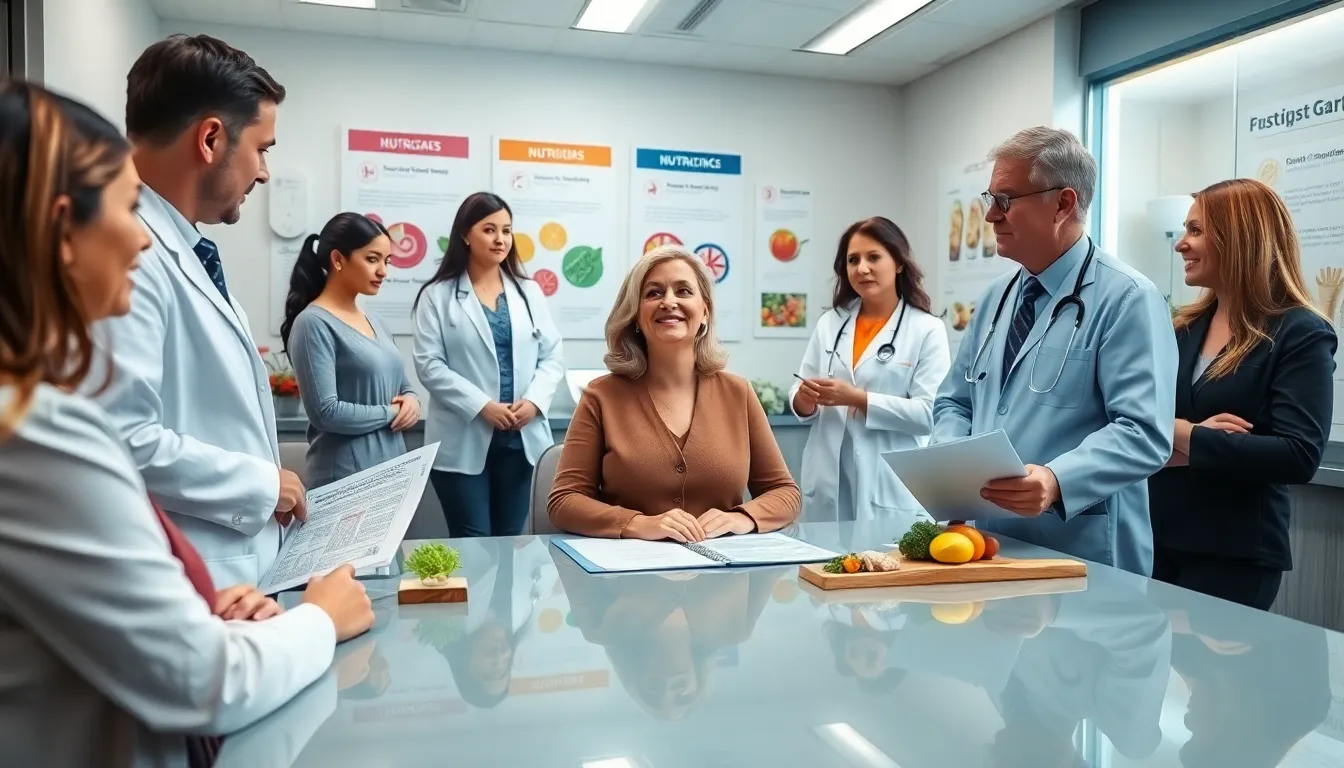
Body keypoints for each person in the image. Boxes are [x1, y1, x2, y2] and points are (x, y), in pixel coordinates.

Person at [0, 80, 374, 768]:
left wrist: (192, 609)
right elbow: (201, 680)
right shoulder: (30, 433)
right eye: (121, 207)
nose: (140, 239)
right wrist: (322, 618)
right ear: (61, 233)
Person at [87, 34, 303, 587]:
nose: (264, 172)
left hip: (223, 568)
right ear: (210, 139)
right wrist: (261, 485)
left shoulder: (183, 246)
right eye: (263, 149)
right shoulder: (125, 249)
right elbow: (116, 439)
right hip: (188, 577)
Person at [933, 126, 1177, 575]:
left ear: (1063, 204)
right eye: (990, 201)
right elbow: (954, 401)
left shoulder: (1127, 298)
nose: (990, 217)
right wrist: (952, 465)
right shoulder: (996, 298)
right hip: (990, 544)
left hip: (1081, 553)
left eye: (1004, 201)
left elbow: (1144, 432)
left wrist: (1057, 479)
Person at [1148, 179, 1335, 610]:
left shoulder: (1301, 333)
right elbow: (1134, 426)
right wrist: (1186, 434)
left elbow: (1298, 455)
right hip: (1156, 540)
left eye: (1195, 230)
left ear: (1240, 239)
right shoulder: (1181, 329)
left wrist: (1183, 437)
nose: (1181, 245)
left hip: (1233, 558)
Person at [548, 245, 801, 539]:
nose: (669, 302)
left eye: (683, 291)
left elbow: (785, 493)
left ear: (704, 312)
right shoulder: (601, 396)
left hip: (723, 578)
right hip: (628, 577)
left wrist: (742, 518)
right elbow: (563, 501)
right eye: (653, 293)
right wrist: (636, 523)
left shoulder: (738, 393)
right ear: (635, 315)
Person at [413, 192, 564, 537]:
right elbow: (429, 365)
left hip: (520, 439)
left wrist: (535, 402)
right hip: (462, 437)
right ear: (466, 235)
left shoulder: (528, 292)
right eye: (489, 229)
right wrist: (482, 406)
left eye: (507, 230)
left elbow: (552, 354)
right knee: (473, 540)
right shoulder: (437, 296)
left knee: (511, 540)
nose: (500, 239)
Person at [791, 216, 951, 527]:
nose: (862, 268)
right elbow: (799, 394)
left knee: (882, 569)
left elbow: (930, 415)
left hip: (888, 486)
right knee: (823, 569)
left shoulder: (926, 329)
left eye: (873, 257)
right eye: (853, 260)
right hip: (827, 484)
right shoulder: (831, 323)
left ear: (899, 263)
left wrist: (860, 399)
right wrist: (804, 400)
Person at [281, 212, 420, 487]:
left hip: (393, 473)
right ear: (338, 260)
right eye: (372, 259)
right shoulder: (313, 323)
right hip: (346, 478)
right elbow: (326, 412)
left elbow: (403, 388)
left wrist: (413, 401)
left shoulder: (376, 322)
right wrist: (392, 413)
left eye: (386, 261)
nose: (383, 271)